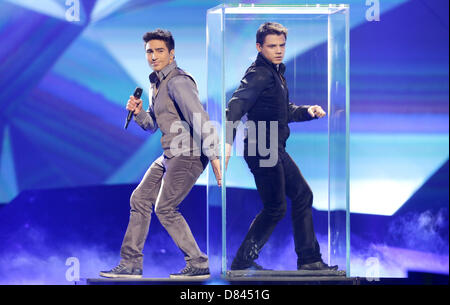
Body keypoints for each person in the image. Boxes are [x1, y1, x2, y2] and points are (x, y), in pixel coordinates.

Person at [100, 29, 221, 279]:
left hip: (188, 154)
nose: (154, 56)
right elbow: (152, 124)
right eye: (149, 52)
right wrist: (138, 113)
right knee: (140, 199)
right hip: (169, 154)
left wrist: (215, 156)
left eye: (159, 51)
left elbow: (199, 118)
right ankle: (131, 264)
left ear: (172, 53)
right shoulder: (157, 82)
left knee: (165, 208)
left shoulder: (178, 81)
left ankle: (198, 262)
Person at [225, 22, 337, 271]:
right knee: (276, 208)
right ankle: (242, 263)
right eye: (272, 46)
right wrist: (226, 143)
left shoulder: (274, 73)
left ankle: (309, 260)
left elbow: (283, 111)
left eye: (282, 45)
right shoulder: (260, 73)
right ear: (259, 47)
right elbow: (234, 107)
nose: (278, 50)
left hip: (272, 147)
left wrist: (307, 111)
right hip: (261, 148)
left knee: (302, 195)